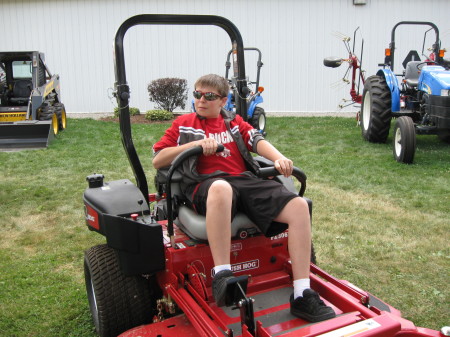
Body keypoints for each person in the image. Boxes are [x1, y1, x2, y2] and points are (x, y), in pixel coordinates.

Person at [152, 74, 335, 322]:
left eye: (209, 96)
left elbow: (256, 140)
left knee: (299, 206)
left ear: (223, 101)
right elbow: (158, 159)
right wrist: (192, 146)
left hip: (243, 180)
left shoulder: (233, 122)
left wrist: (279, 158)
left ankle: (302, 293)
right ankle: (222, 274)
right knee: (221, 188)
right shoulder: (184, 124)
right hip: (203, 184)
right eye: (197, 94)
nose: (201, 100)